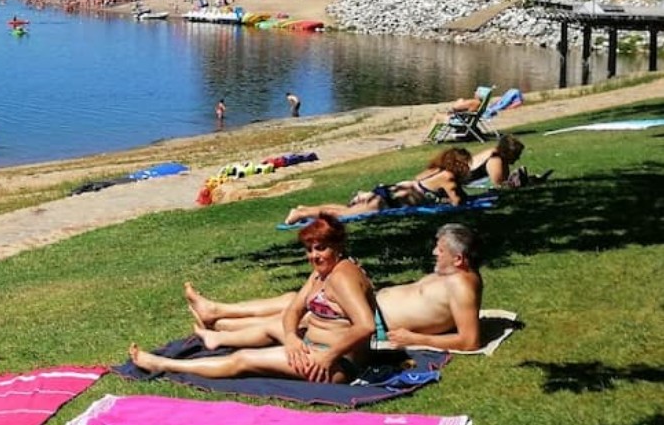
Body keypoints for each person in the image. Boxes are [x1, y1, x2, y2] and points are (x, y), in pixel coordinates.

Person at [129, 214, 377, 383]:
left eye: (321, 248)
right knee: (274, 325)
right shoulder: (321, 273)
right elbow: (293, 310)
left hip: (336, 364)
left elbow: (365, 326)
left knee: (243, 359)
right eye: (309, 249)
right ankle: (217, 338)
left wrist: (328, 356)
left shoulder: (342, 277)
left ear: (338, 246)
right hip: (312, 347)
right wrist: (292, 338)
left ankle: (164, 365)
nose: (314, 256)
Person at [185, 223, 484, 353]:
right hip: (373, 310)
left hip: (375, 324)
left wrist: (415, 338)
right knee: (296, 300)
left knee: (302, 315)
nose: (434, 253)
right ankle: (217, 314)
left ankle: (221, 328)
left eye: (440, 250)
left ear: (458, 259)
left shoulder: (462, 286)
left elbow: (470, 341)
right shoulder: (451, 276)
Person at [284, 147, 472, 225]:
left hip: (387, 193)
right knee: (344, 215)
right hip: (385, 201)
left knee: (343, 209)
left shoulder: (435, 171)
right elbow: (458, 203)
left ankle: (306, 209)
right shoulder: (448, 177)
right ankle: (301, 214)